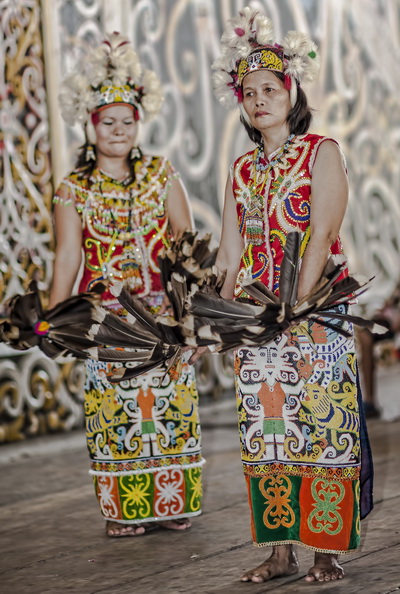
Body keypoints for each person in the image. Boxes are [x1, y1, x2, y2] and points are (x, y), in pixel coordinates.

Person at [201, 6, 374, 583]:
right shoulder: (241, 171)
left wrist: (295, 314)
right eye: (249, 92)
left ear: (290, 92)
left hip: (315, 317)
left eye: (269, 89)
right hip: (256, 321)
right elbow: (229, 256)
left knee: (322, 427)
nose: (258, 100)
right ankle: (280, 552)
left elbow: (322, 236)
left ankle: (327, 550)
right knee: (268, 431)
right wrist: (211, 320)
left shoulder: (321, 152)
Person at [49, 34, 203, 537]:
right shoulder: (73, 189)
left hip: (163, 318)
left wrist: (195, 315)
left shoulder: (162, 175)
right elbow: (68, 256)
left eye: (127, 121)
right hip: (105, 322)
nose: (118, 130)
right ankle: (126, 511)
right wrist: (54, 317)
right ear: (90, 126)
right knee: (117, 412)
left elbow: (185, 246)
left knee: (170, 405)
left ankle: (173, 501)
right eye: (107, 121)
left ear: (140, 124)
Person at [357, 280, 400, 418]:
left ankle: (370, 402)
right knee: (364, 335)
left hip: (394, 320)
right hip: (390, 319)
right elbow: (391, 300)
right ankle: (370, 401)